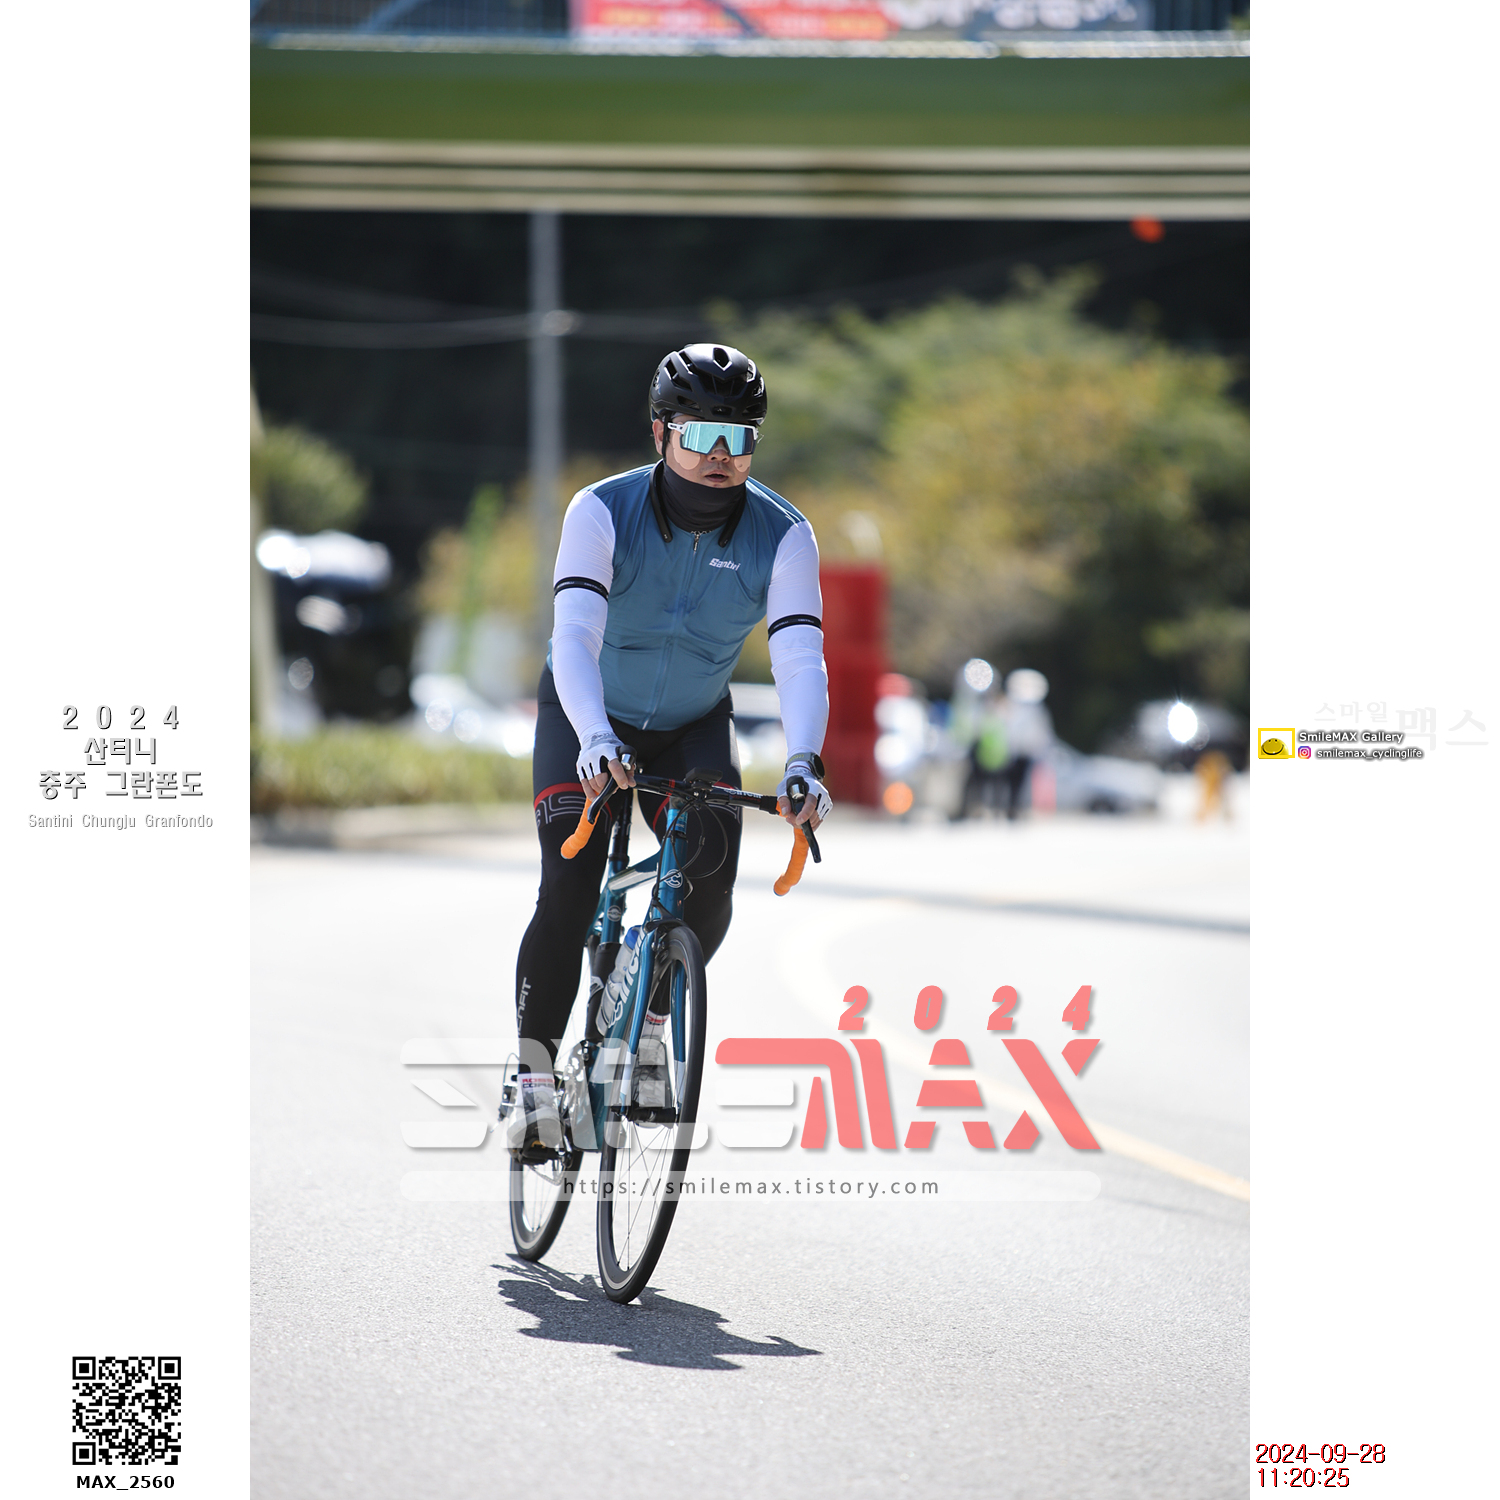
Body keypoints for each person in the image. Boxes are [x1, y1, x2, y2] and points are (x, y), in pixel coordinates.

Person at [507, 343, 833, 1160]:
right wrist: (594, 736)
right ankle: (535, 1080)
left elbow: (800, 655)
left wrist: (804, 760)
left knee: (711, 878)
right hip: (584, 713)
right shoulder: (600, 509)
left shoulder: (784, 533)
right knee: (570, 886)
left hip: (692, 723)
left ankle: (649, 1030)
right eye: (702, 436)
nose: (722, 456)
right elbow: (574, 637)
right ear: (661, 433)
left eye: (740, 438)